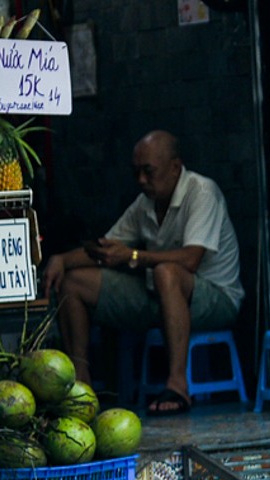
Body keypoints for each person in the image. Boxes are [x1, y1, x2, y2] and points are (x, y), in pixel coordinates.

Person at [41, 130, 242, 416]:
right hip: (161, 297)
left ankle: (177, 384)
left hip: (215, 299)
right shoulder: (145, 203)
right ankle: (80, 384)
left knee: (166, 273)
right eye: (136, 173)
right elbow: (106, 249)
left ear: (174, 167)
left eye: (148, 172)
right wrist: (61, 259)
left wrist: (134, 256)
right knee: (74, 281)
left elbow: (191, 260)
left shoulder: (202, 192)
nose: (141, 181)